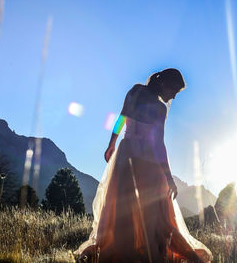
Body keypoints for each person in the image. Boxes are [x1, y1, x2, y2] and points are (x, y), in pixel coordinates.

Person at [75, 68, 212, 262]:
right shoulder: (151, 102)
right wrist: (111, 143)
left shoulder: (141, 95)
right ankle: (138, 252)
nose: (173, 96)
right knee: (137, 209)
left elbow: (126, 120)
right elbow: (153, 141)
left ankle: (142, 251)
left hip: (131, 157)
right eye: (174, 91)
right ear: (165, 84)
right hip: (140, 162)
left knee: (142, 209)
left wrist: (113, 142)